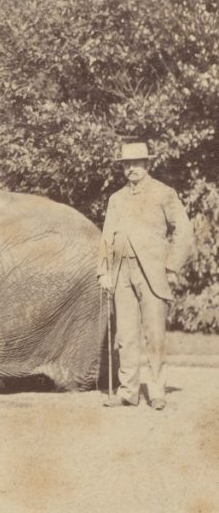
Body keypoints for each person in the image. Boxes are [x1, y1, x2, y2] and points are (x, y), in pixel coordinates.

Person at [98, 140, 193, 411]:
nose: (132, 169)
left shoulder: (164, 193)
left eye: (136, 163)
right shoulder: (115, 199)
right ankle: (127, 391)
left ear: (147, 164)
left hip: (153, 273)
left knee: (155, 334)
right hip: (121, 273)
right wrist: (104, 271)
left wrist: (171, 266)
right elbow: (107, 237)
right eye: (127, 164)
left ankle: (156, 390)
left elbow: (184, 232)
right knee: (126, 336)